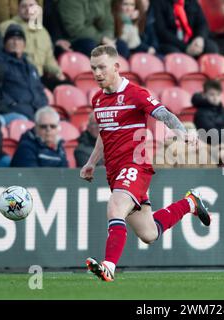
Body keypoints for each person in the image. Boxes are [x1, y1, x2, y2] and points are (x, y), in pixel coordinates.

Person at [81, 45, 211, 282]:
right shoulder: (98, 99)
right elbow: (104, 132)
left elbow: (164, 114)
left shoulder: (135, 93)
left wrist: (181, 133)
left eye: (102, 67)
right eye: (93, 68)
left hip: (135, 165)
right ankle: (190, 203)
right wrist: (91, 162)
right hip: (114, 171)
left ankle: (108, 266)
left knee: (115, 206)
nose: (97, 73)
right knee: (149, 233)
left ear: (116, 67)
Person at [0, 0, 68, 89]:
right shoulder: (7, 27)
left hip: (40, 77)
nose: (28, 10)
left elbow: (49, 59)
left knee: (67, 85)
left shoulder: (43, 31)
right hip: (18, 76)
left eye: (31, 6)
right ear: (18, 9)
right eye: (24, 6)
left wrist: (57, 72)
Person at [0, 23, 48, 124]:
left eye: (19, 39)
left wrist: (43, 105)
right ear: (5, 43)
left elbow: (40, 89)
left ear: (24, 44)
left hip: (37, 111)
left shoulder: (31, 67)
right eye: (11, 39)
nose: (15, 43)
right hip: (16, 112)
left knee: (57, 121)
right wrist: (12, 104)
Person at [57, 0, 130, 58]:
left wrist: (108, 40)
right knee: (90, 46)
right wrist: (101, 38)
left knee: (121, 46)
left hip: (97, 37)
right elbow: (75, 29)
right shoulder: (70, 1)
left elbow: (108, 25)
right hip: (72, 39)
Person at [151, 0, 219, 56]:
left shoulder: (192, 2)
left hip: (192, 41)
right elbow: (162, 32)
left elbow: (202, 23)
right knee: (175, 54)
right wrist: (185, 47)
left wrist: (199, 38)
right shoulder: (158, 2)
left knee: (211, 47)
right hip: (172, 44)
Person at [192, 79, 224, 146]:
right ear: (204, 95)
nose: (215, 98)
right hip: (211, 149)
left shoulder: (222, 110)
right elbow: (213, 135)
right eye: (212, 94)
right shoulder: (201, 114)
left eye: (218, 95)